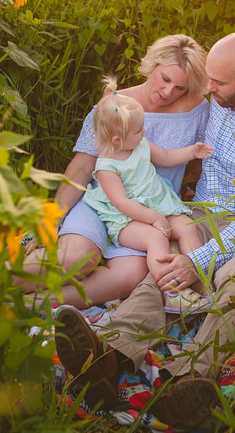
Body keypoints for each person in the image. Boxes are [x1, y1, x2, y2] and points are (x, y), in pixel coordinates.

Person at [54, 32, 235, 428]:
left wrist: (196, 261)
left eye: (217, 82)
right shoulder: (216, 102)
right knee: (159, 274)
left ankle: (186, 378)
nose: (207, 90)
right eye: (208, 80)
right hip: (198, 213)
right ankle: (106, 356)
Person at [19, 34, 210, 308]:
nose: (168, 92)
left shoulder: (197, 109)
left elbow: (201, 165)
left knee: (129, 276)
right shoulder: (116, 106)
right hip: (105, 200)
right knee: (76, 259)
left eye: (180, 87)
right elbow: (83, 165)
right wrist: (52, 218)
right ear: (152, 65)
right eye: (165, 79)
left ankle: (26, 306)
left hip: (151, 212)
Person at [82, 76, 214, 314]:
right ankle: (171, 291)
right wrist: (152, 218)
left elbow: (165, 155)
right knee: (157, 238)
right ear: (116, 140)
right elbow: (121, 203)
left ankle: (201, 278)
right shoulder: (106, 167)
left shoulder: (139, 144)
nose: (144, 131)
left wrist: (192, 152)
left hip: (158, 204)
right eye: (138, 130)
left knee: (186, 225)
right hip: (129, 220)